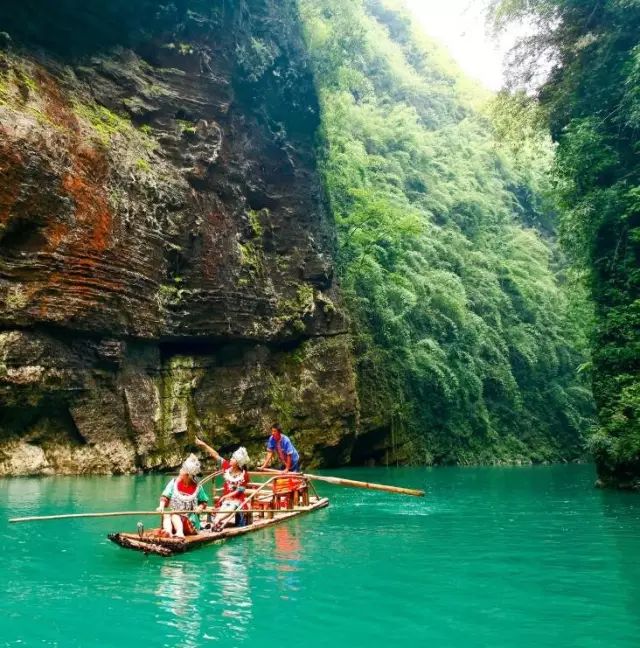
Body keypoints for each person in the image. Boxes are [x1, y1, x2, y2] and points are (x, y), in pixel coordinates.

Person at [195, 437, 250, 531]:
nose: (231, 459)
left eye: (233, 458)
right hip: (225, 499)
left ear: (238, 463)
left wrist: (227, 496)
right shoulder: (227, 467)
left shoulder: (244, 475)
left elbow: (240, 490)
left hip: (237, 500)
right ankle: (215, 522)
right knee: (223, 506)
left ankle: (217, 521)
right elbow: (216, 455)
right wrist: (203, 444)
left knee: (231, 506)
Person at [156, 454, 209, 538]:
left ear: (188, 475)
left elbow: (204, 502)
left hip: (190, 520)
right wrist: (161, 506)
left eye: (183, 469)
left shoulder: (198, 487)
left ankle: (180, 533)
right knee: (167, 514)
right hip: (174, 517)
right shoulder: (173, 483)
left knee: (174, 515)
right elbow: (165, 496)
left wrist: (200, 507)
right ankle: (168, 532)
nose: (180, 470)